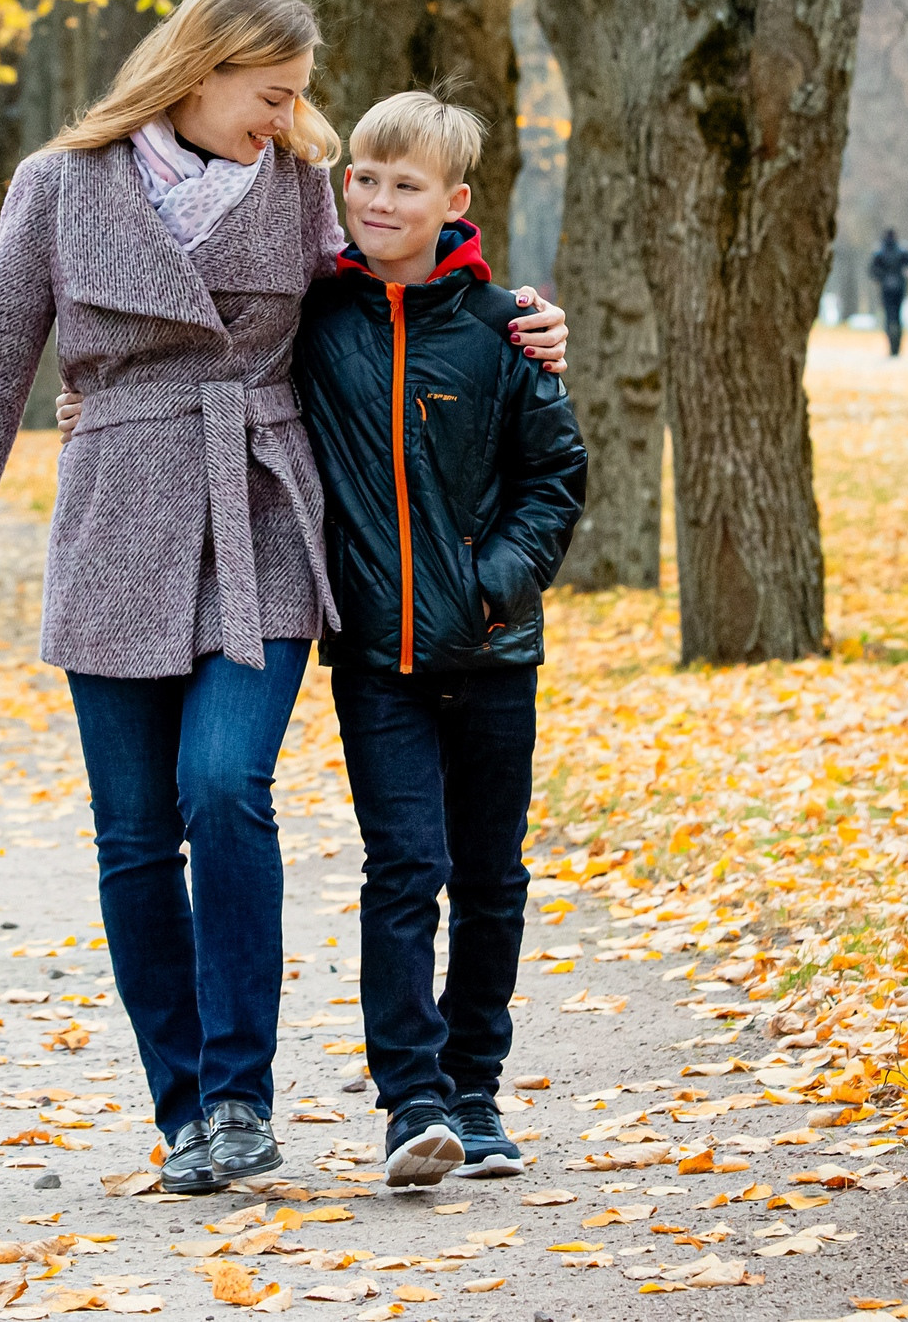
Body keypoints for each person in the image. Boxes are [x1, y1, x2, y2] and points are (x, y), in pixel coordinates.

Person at [0, 0, 569, 1196]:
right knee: (135, 837)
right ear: (205, 68)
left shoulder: (300, 192)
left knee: (224, 786)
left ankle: (242, 1097)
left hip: (264, 518)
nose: (290, 118)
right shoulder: (57, 188)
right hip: (114, 529)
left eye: (297, 97)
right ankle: (183, 1106)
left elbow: (407, 277)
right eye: (273, 92)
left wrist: (519, 321)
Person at [290, 90, 585, 1188]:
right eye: (362, 175)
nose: (374, 197)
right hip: (375, 661)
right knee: (403, 871)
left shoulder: (506, 326)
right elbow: (215, 373)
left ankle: (479, 1094)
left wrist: (494, 586)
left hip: (494, 655)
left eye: (403, 184)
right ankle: (411, 1102)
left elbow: (556, 475)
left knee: (490, 877)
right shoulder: (317, 318)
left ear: (452, 202)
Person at [870, 228, 908, 357]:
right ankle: (896, 346)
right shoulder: (902, 250)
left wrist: (882, 278)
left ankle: (892, 345)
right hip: (899, 287)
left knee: (889, 317)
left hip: (886, 288)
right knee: (897, 316)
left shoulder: (880, 252)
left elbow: (873, 271)